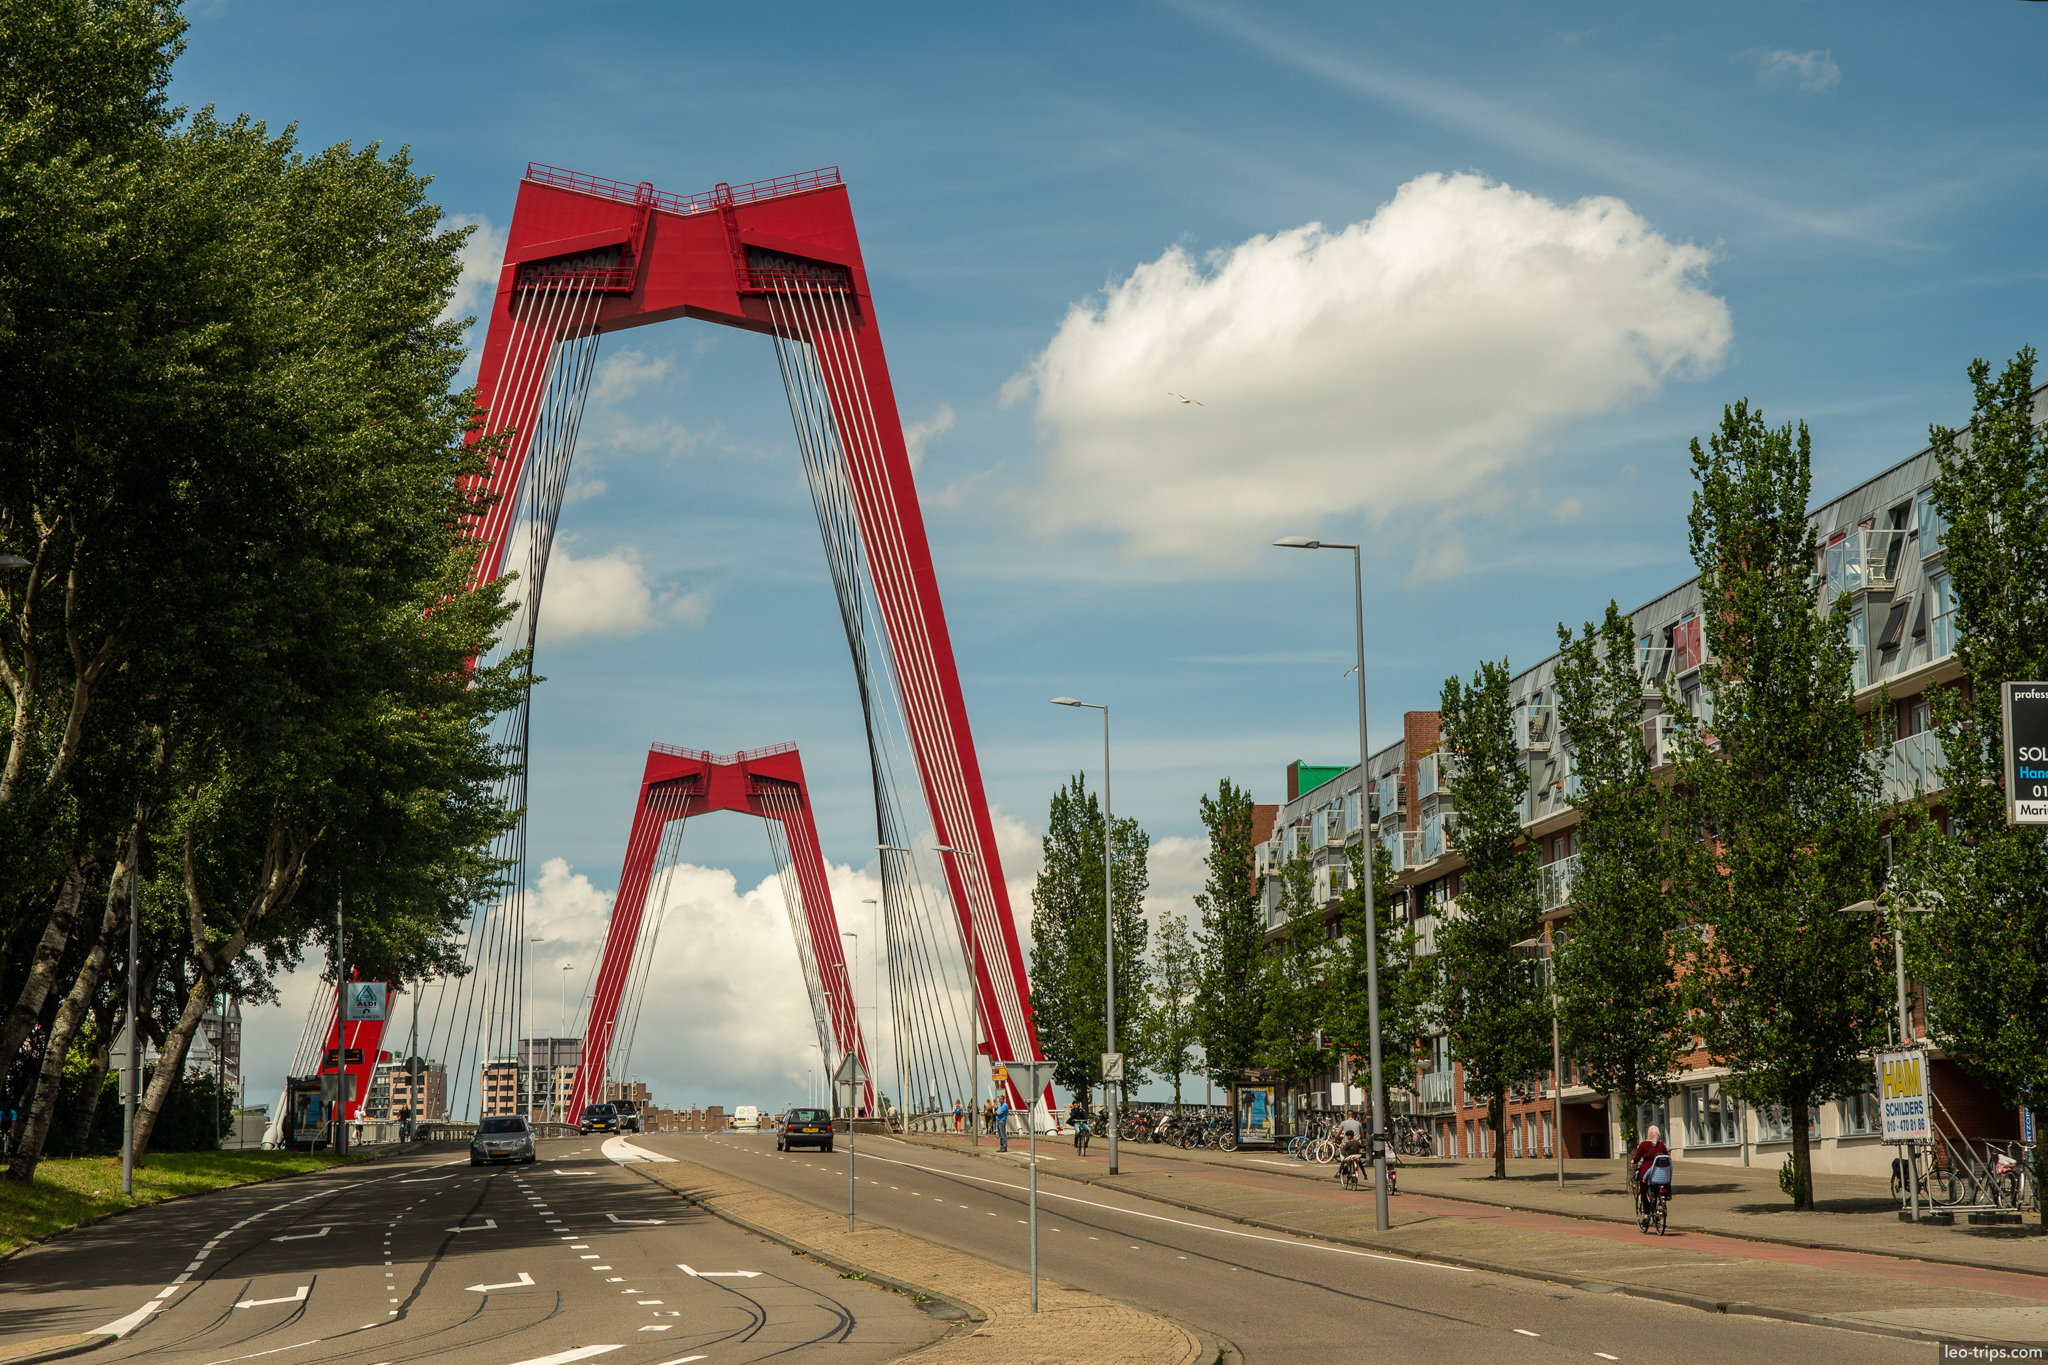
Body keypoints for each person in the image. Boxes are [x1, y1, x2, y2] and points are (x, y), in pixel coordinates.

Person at [1631, 1124, 1670, 1216]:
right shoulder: (1661, 1145)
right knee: (1658, 1187)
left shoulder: (1643, 1145)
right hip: (1661, 1172)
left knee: (1644, 1191)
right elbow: (1667, 1157)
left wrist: (1633, 1161)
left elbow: (1637, 1158)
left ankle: (1646, 1215)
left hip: (1646, 1171)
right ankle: (1660, 1201)